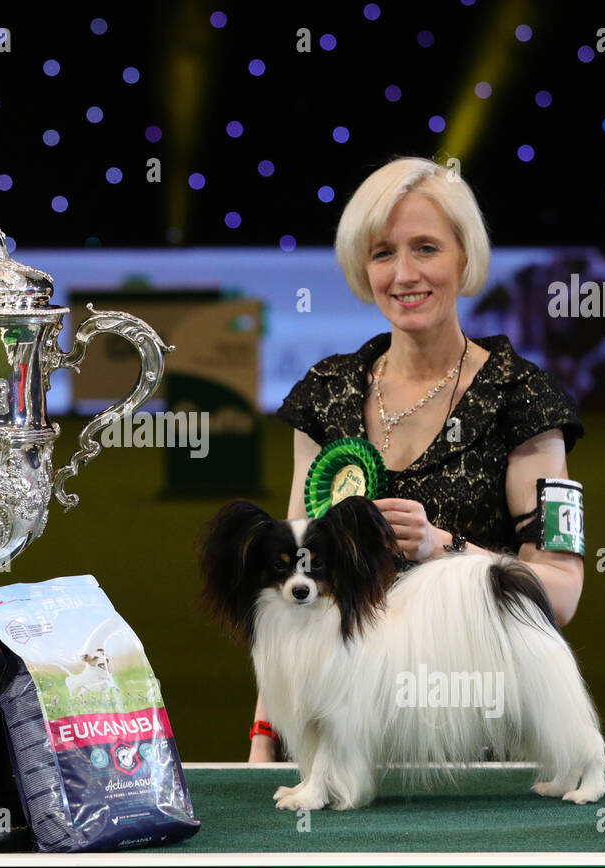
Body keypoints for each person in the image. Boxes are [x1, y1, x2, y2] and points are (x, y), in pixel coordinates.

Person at [249, 157, 586, 762]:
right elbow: (291, 591)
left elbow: (561, 595)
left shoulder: (524, 398)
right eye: (383, 253)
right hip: (342, 747)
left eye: (426, 248)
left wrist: (443, 548)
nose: (404, 274)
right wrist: (266, 736)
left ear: (465, 257)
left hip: (475, 743)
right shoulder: (324, 394)